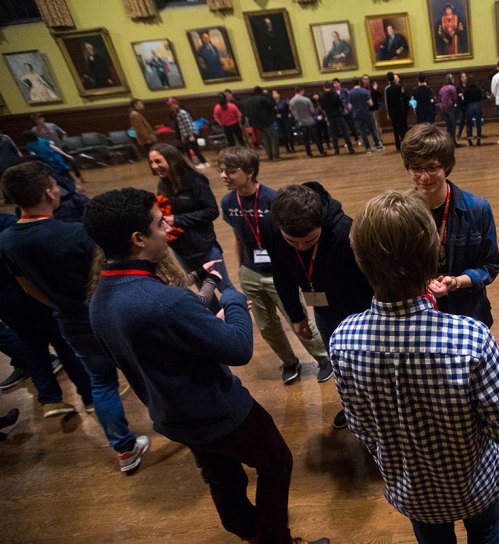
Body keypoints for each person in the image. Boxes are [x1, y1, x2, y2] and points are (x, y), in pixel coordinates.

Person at [83, 187, 330, 544]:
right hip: (219, 411)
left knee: (221, 476)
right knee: (276, 463)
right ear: (138, 239)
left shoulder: (99, 298)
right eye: (157, 223)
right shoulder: (163, 301)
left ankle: (249, 532)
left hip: (171, 415)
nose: (167, 225)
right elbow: (238, 348)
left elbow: (162, 343)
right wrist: (230, 296)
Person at [332, 189, 499, 544]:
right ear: (432, 256)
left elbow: (360, 427)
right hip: (476, 486)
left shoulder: (342, 340)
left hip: (411, 491)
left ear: (361, 259)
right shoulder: (470, 338)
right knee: (485, 536)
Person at [0, 161, 149, 472]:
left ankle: (124, 450)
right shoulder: (76, 234)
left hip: (68, 320)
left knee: (101, 384)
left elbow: (26, 287)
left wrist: (59, 305)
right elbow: (107, 277)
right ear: (50, 192)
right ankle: (175, 423)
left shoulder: (5, 240)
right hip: (107, 315)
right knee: (144, 373)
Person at [261, 183, 373, 429]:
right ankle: (352, 408)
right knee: (340, 365)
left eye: (310, 240)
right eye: (293, 242)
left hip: (358, 308)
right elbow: (281, 272)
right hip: (323, 308)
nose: (302, 247)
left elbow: (368, 283)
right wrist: (296, 315)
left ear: (320, 222)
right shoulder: (270, 226)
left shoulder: (346, 231)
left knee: (366, 366)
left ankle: (372, 411)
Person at [219, 146, 332, 385]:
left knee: (298, 318)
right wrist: (241, 269)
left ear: (249, 172)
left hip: (279, 273)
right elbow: (238, 237)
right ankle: (290, 362)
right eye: (221, 170)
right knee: (266, 325)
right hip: (251, 272)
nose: (223, 176)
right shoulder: (228, 202)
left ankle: (324, 359)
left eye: (230, 170)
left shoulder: (274, 199)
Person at [0, 211, 92, 416]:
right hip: (28, 291)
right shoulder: (2, 224)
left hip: (0, 300)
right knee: (62, 342)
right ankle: (89, 396)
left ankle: (49, 399)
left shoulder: (2, 227)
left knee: (31, 345)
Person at [402, 124, 499, 327]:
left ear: (446, 166)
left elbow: (490, 265)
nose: (424, 177)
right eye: (416, 168)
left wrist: (455, 282)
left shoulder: (478, 208)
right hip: (420, 315)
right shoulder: (400, 214)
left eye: (431, 167)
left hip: (469, 313)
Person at [149, 143, 230, 289]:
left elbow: (212, 211)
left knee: (225, 287)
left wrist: (177, 219)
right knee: (203, 289)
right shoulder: (163, 186)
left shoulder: (196, 181)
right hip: (181, 250)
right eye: (152, 162)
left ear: (173, 161)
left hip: (204, 246)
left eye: (158, 161)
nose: (154, 166)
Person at [166, 97, 208, 168]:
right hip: (185, 134)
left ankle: (204, 162)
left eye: (171, 105)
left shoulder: (182, 113)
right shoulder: (176, 113)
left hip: (190, 133)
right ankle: (192, 162)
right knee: (186, 149)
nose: (170, 107)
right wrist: (183, 136)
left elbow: (189, 124)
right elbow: (181, 126)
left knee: (195, 148)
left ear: (175, 104)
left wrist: (191, 135)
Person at [243, 86, 280, 162]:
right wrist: (267, 94)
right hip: (266, 122)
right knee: (274, 137)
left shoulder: (248, 100)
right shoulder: (262, 99)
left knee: (265, 138)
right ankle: (275, 156)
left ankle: (269, 155)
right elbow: (272, 104)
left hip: (256, 124)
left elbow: (246, 112)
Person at [319, 81, 356, 155]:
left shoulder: (322, 97)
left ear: (324, 87)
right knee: (345, 133)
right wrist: (344, 109)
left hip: (330, 117)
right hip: (339, 115)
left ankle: (337, 150)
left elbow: (323, 108)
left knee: (333, 135)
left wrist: (326, 116)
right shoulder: (335, 94)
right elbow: (340, 105)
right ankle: (350, 149)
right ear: (330, 86)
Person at [348, 78, 383, 151]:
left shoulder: (350, 93)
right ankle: (377, 145)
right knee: (372, 129)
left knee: (362, 131)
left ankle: (367, 148)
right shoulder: (364, 91)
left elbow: (349, 106)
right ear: (359, 82)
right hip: (366, 112)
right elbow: (371, 103)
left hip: (356, 114)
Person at [289, 87, 324, 158]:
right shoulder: (306, 99)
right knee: (316, 138)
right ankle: (321, 151)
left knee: (306, 139)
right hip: (310, 121)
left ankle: (309, 153)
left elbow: (292, 112)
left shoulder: (291, 101)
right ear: (301, 91)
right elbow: (312, 111)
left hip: (301, 122)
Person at [384, 72, 410, 151]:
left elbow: (387, 102)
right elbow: (403, 97)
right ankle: (405, 143)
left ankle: (398, 145)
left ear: (388, 79)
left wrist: (388, 113)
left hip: (392, 111)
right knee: (403, 126)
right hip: (401, 110)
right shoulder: (399, 86)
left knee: (395, 128)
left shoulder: (387, 89)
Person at [461, 76, 484, 146]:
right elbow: (480, 97)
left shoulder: (466, 89)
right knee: (478, 123)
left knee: (469, 124)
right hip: (477, 105)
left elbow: (465, 100)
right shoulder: (478, 88)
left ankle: (469, 139)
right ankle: (479, 138)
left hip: (469, 106)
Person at [272, 90, 296, 154]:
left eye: (275, 93)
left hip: (286, 120)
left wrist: (275, 108)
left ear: (278, 94)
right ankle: (287, 148)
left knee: (288, 134)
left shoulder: (283, 101)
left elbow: (281, 108)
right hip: (278, 121)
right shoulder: (272, 102)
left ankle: (292, 147)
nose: (274, 95)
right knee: (283, 135)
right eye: (273, 94)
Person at [438, 73, 459, 142]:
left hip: (443, 108)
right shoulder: (452, 87)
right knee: (453, 124)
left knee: (448, 125)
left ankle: (449, 140)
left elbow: (440, 98)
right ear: (450, 79)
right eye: (452, 78)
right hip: (450, 107)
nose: (454, 80)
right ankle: (453, 141)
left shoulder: (442, 88)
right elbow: (454, 98)